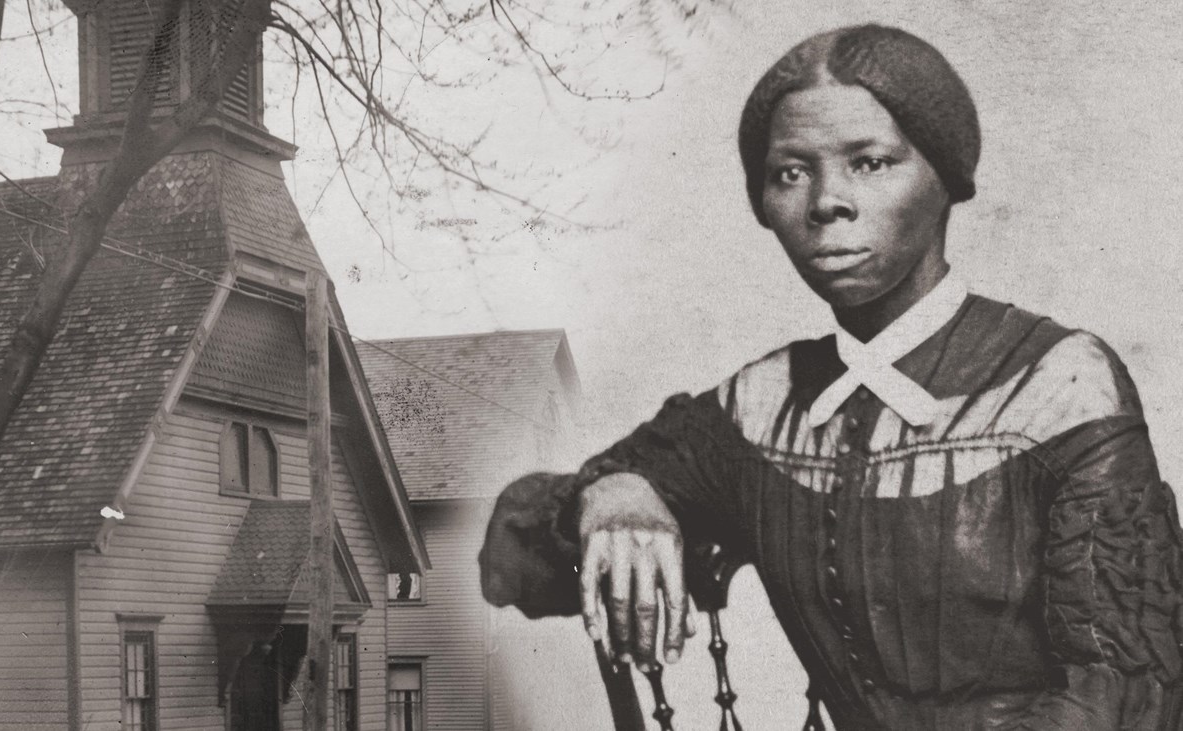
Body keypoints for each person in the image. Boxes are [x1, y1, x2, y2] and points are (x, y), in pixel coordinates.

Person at [478, 24, 1183, 730]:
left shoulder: (1061, 384)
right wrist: (614, 494)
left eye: (870, 163)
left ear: (945, 177)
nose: (826, 202)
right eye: (791, 172)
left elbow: (1127, 689)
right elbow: (515, 563)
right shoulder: (759, 409)